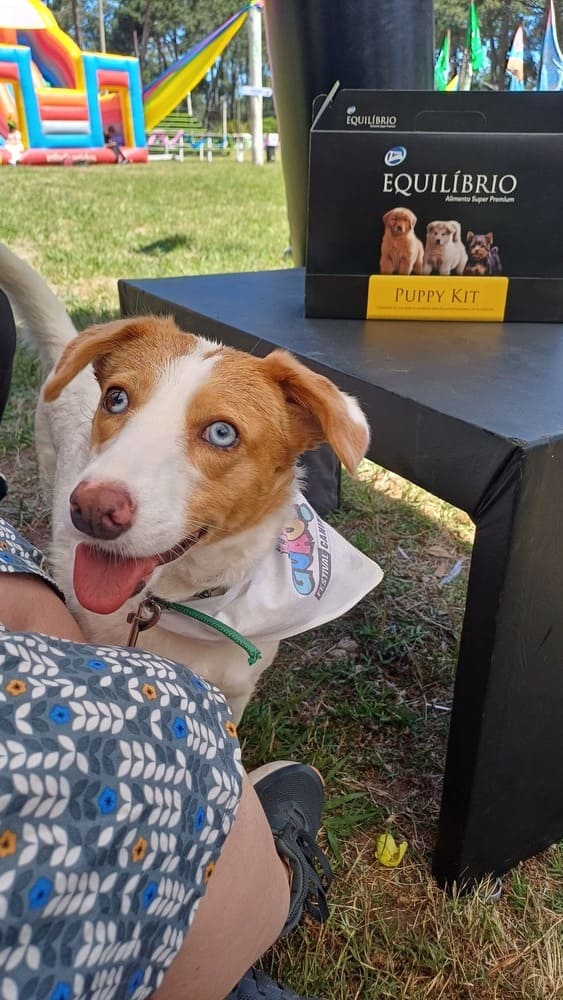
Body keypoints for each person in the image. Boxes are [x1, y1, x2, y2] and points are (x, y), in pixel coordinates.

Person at [0, 289, 333, 1000]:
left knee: (227, 697)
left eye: (221, 433)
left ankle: (216, 807)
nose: (95, 497)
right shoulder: (84, 531)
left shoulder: (271, 601)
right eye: (118, 400)